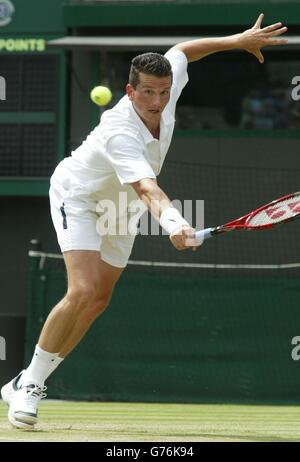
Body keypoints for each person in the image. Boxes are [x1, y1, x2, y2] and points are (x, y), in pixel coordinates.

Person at [1, 14, 287, 430]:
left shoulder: (167, 90)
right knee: (81, 289)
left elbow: (184, 51)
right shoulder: (120, 130)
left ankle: (28, 378)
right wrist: (175, 224)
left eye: (164, 92)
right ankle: (30, 390)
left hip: (123, 209)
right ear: (130, 91)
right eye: (148, 92)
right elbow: (148, 190)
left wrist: (236, 40)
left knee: (99, 299)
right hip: (80, 197)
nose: (157, 101)